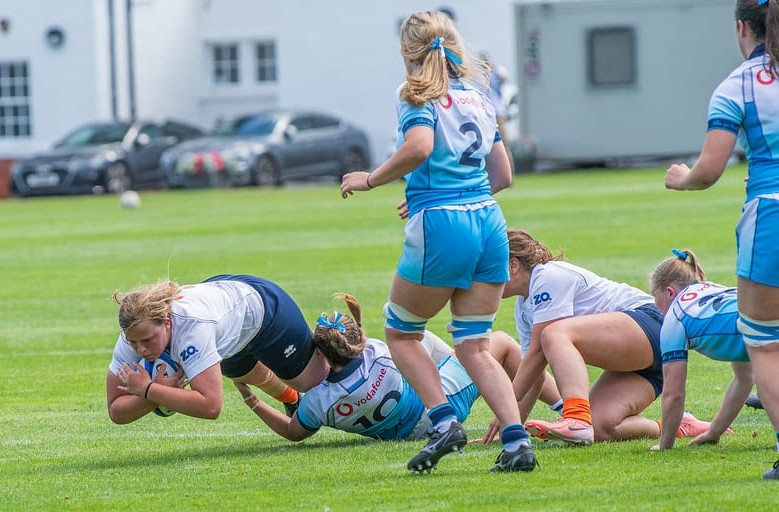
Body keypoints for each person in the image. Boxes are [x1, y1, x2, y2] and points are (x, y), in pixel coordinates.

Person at [340, 11, 535, 473]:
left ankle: (445, 421)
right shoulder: (478, 97)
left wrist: (371, 180)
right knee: (475, 345)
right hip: (488, 222)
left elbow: (420, 148)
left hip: (443, 225)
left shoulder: (415, 94)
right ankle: (517, 442)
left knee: (400, 332)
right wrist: (438, 192)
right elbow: (502, 175)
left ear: (408, 53)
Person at [663, 0, 779, 480]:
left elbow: (710, 170)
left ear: (740, 27)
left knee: (766, 346)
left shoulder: (739, 84)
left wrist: (681, 177)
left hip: (770, 212)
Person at [237, 294, 523, 467]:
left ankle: (452, 363)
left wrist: (252, 400)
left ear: (319, 352)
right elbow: (385, 352)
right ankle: (548, 409)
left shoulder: (316, 402)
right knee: (501, 343)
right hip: (445, 406)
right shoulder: (378, 351)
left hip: (406, 433)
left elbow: (292, 431)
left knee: (429, 350)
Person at [501, 229, 712, 446]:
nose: (480, 280)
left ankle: (576, 418)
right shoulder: (523, 308)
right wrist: (510, 425)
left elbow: (538, 352)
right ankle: (678, 425)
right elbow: (533, 374)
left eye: (484, 269)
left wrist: (504, 407)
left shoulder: (546, 276)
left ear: (513, 265)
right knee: (601, 427)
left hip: (651, 325)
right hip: (646, 357)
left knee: (555, 333)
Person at [106, 274, 330, 424]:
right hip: (227, 324)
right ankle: (292, 399)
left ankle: (358, 360)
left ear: (166, 322)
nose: (140, 349)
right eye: (133, 342)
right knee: (251, 375)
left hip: (265, 308)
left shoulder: (193, 328)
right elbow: (116, 411)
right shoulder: (133, 332)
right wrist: (155, 394)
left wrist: (149, 390)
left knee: (313, 381)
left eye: (147, 340)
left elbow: (211, 407)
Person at [650, 248, 746, 451]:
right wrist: (714, 432)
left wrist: (665, 445)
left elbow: (673, 393)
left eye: (654, 295)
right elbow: (745, 379)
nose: (655, 304)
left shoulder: (675, 317)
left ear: (669, 292)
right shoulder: (713, 288)